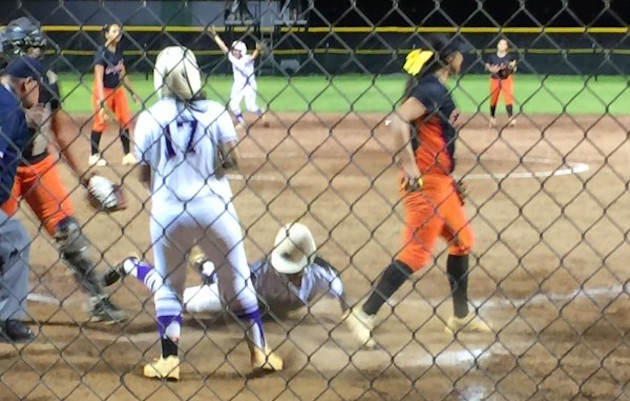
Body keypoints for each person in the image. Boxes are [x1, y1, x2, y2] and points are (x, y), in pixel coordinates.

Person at [134, 45, 282, 380]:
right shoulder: (215, 111)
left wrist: (164, 188)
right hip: (215, 207)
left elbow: (144, 174)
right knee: (236, 280)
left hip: (168, 211)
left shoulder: (150, 117)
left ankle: (169, 360)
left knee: (170, 286)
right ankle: (259, 352)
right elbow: (232, 161)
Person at [343, 38, 492, 348]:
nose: (463, 59)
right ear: (449, 59)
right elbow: (397, 121)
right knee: (416, 253)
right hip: (424, 184)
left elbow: (434, 137)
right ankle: (364, 314)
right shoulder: (430, 89)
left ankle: (461, 315)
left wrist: (449, 177)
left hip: (441, 183)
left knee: (462, 241)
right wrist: (409, 164)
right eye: (460, 55)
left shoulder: (435, 88)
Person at [0, 17, 127, 324]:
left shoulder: (48, 80)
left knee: (69, 232)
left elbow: (58, 131)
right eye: (31, 47)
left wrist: (83, 176)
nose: (36, 53)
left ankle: (97, 299)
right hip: (6, 165)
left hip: (39, 165)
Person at [103, 223, 350, 318]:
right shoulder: (262, 276)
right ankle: (132, 265)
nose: (287, 274)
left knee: (214, 271)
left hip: (249, 291)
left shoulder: (320, 274)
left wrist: (349, 315)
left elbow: (340, 291)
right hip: (230, 296)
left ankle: (201, 261)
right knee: (173, 300)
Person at [0, 56, 44, 343]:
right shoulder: (9, 109)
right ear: (27, 84)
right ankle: (7, 320)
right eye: (39, 87)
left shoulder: (9, 107)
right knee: (16, 239)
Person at [90, 23, 141, 167]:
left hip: (117, 90)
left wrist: (133, 93)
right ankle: (93, 155)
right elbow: (99, 78)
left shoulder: (118, 50)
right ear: (107, 34)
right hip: (103, 90)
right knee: (100, 122)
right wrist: (101, 100)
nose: (118, 33)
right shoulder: (102, 53)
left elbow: (122, 74)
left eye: (119, 31)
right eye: (114, 31)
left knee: (125, 120)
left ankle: (127, 155)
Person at [208, 27, 267, 130]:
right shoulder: (232, 57)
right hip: (238, 84)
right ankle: (242, 122)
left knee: (251, 107)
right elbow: (224, 48)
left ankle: (261, 111)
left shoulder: (246, 58)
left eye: (236, 50)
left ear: (242, 51)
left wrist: (257, 50)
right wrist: (215, 36)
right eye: (233, 50)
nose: (234, 52)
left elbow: (253, 57)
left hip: (250, 84)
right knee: (233, 104)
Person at [485, 38, 517, 128]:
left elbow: (514, 67)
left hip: (506, 79)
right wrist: (491, 69)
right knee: (493, 99)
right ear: (497, 46)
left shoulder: (510, 57)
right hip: (494, 79)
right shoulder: (492, 57)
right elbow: (487, 66)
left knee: (508, 97)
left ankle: (510, 118)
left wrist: (512, 67)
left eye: (504, 44)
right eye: (500, 44)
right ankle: (492, 118)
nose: (501, 45)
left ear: (506, 47)